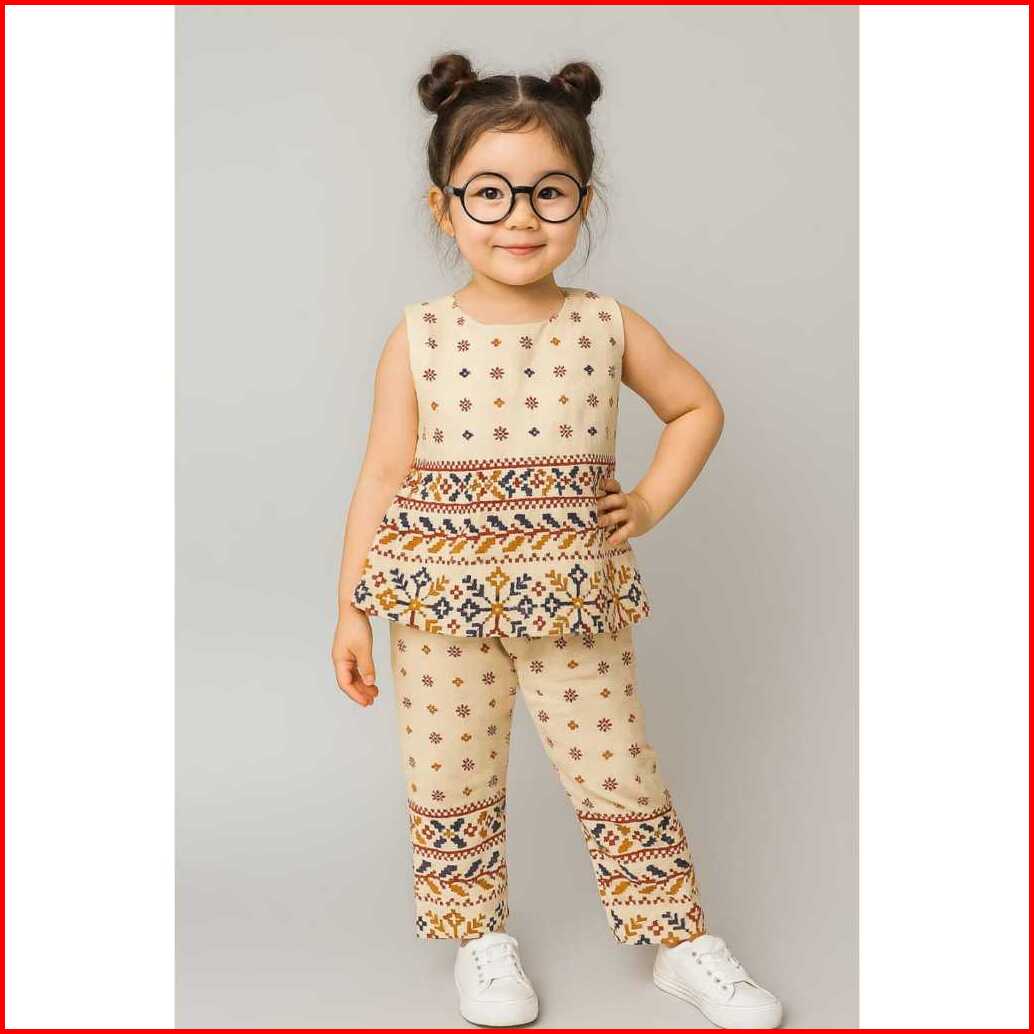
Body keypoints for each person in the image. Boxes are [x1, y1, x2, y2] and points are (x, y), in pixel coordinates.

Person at [331, 52, 784, 1030]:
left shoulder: (605, 325)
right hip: (436, 607)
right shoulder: (417, 336)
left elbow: (695, 406)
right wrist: (350, 611)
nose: (520, 217)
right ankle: (478, 938)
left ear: (584, 198)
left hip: (574, 598)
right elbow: (380, 475)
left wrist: (648, 503)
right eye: (488, 192)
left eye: (549, 191)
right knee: (449, 775)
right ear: (443, 207)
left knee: (617, 768)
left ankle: (678, 940)